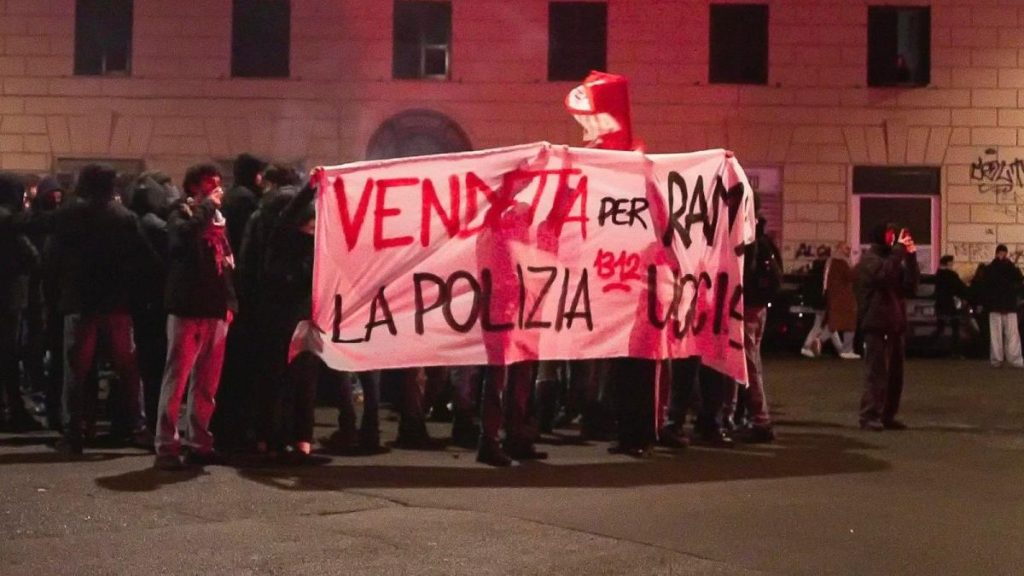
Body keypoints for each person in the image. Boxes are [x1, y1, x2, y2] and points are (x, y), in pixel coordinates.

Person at [48, 164, 158, 454]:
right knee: (128, 369)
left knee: (76, 371)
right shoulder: (124, 217)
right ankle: (137, 426)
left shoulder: (69, 215)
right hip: (117, 303)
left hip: (80, 302)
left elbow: (52, 257)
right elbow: (146, 258)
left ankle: (74, 434)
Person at [154, 164, 237, 470]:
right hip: (187, 308)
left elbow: (226, 262)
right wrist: (206, 208)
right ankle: (167, 445)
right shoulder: (181, 213)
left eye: (218, 184)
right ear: (193, 187)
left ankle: (200, 441)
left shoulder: (218, 220)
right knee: (176, 379)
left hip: (215, 310)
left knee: (207, 382)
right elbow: (182, 241)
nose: (216, 189)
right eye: (208, 184)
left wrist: (230, 303)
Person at [854, 224, 919, 431]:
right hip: (876, 323)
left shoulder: (892, 259)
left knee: (895, 376)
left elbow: (910, 286)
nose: (892, 239)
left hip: (894, 324)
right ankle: (870, 415)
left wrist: (911, 258)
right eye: (890, 235)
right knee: (877, 373)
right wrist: (899, 252)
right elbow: (883, 276)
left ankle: (887, 415)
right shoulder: (870, 260)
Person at [0, 173, 41, 432]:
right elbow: (32, 256)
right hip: (9, 297)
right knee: (8, 354)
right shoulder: (9, 221)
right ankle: (14, 409)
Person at [807, 241, 860, 359]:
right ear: (840, 249)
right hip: (844, 298)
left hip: (835, 297)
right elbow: (851, 276)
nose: (849, 251)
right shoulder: (841, 262)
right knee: (848, 322)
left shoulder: (832, 262)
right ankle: (847, 349)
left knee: (835, 323)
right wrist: (858, 266)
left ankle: (820, 341)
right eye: (847, 248)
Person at [980, 244, 1023, 368]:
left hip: (1004, 306)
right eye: (1001, 253)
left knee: (1010, 334)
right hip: (1000, 306)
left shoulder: (1000, 268)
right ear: (997, 253)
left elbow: (1018, 279)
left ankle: (1010, 358)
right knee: (999, 335)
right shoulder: (995, 268)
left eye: (1003, 253)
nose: (1002, 255)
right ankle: (999, 359)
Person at [934, 255, 971, 358]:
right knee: (955, 328)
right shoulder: (951, 275)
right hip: (950, 305)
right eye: (952, 263)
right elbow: (959, 288)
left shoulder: (938, 275)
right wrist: (967, 294)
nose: (953, 265)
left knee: (940, 327)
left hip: (940, 305)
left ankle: (931, 348)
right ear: (949, 263)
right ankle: (955, 351)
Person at [800, 248, 829, 358]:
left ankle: (815, 345)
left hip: (815, 299)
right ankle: (807, 346)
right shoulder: (824, 268)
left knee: (823, 324)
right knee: (818, 325)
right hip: (821, 300)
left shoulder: (812, 266)